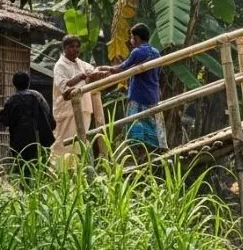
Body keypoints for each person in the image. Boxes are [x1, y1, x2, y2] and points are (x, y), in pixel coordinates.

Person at [89, 23, 167, 154]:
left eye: (131, 37)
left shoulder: (137, 52)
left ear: (136, 38)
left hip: (138, 95)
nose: (131, 40)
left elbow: (120, 69)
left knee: (135, 126)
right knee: (153, 124)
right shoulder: (156, 52)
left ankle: (138, 153)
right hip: (153, 94)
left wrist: (103, 69)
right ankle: (155, 151)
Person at [51, 34, 104, 160]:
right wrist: (81, 76)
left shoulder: (81, 63)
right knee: (64, 144)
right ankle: (58, 172)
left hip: (84, 108)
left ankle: (76, 173)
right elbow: (65, 87)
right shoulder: (60, 66)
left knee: (79, 144)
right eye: (71, 47)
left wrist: (100, 73)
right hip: (67, 111)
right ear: (64, 48)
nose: (75, 49)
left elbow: (92, 72)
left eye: (77, 47)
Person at [0, 71, 56, 178]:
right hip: (38, 140)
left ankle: (24, 191)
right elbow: (48, 116)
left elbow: (3, 121)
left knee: (22, 170)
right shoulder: (37, 97)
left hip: (18, 143)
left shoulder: (11, 101)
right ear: (29, 82)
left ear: (14, 84)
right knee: (40, 169)